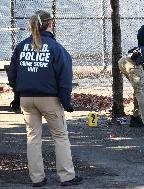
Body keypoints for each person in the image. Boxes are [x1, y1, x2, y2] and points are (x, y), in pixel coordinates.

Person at [8, 10, 82, 187]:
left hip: (26, 98)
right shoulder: (56, 48)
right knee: (60, 136)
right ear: (50, 24)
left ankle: (37, 178)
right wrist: (66, 101)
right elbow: (64, 78)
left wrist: (17, 96)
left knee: (33, 137)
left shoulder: (21, 46)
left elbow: (13, 75)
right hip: (50, 99)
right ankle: (66, 176)